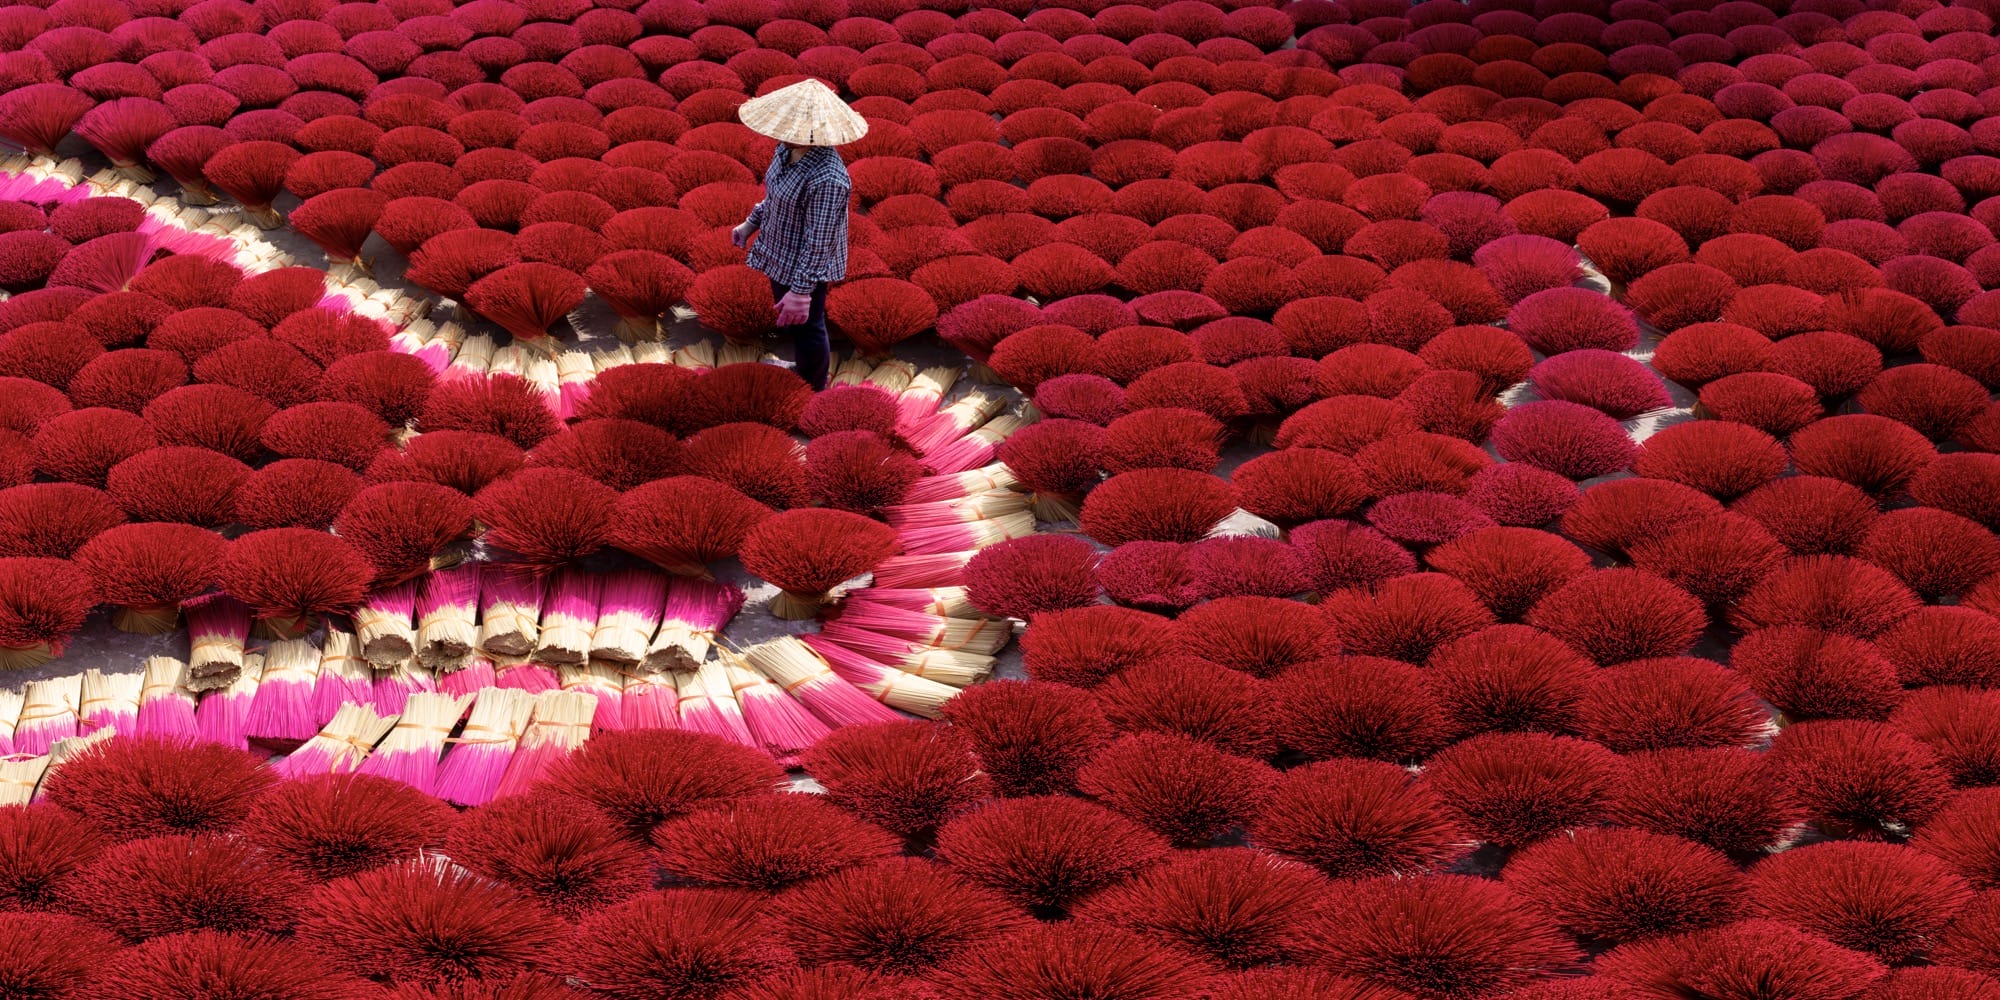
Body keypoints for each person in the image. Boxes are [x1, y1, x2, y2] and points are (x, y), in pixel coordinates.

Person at [730, 79, 867, 391]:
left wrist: (801, 292)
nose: (778, 133)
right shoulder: (785, 150)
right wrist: (750, 224)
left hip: (807, 265)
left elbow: (818, 243)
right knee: (797, 325)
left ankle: (813, 384)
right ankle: (802, 367)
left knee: (808, 325)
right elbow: (775, 196)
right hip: (778, 251)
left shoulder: (829, 178)